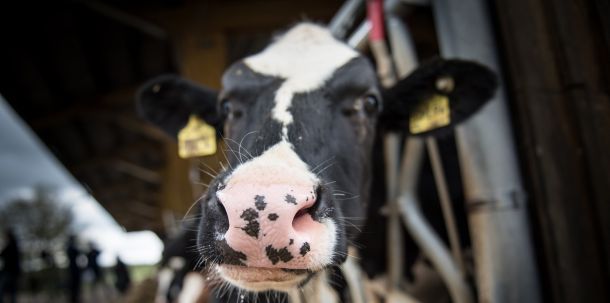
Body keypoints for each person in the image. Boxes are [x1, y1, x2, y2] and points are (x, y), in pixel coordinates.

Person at [0, 229, 21, 303]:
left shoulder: (10, 245)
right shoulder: (16, 246)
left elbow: (2, 254)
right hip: (14, 272)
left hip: (8, 272)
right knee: (13, 291)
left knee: (2, 289)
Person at [66, 235, 82, 303]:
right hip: (73, 269)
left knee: (75, 286)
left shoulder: (69, 247)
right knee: (74, 286)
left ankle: (75, 299)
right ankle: (74, 299)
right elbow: (78, 252)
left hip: (73, 268)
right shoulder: (71, 247)